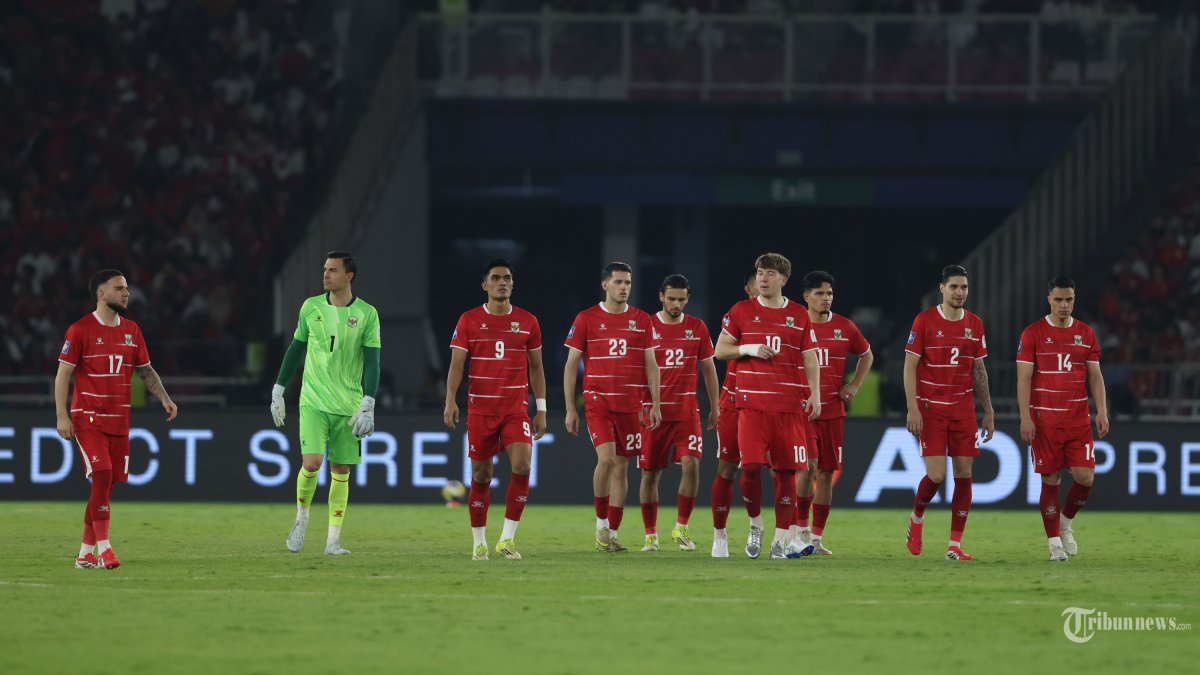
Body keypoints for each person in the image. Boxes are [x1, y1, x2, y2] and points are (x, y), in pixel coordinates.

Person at [55, 269, 179, 570]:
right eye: (119, 288)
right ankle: (105, 548)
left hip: (119, 420)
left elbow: (146, 370)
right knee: (101, 473)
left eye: (127, 288)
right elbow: (63, 376)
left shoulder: (132, 330)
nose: (126, 293)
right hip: (88, 417)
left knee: (105, 485)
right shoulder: (80, 329)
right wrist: (62, 416)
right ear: (101, 294)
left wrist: (164, 397)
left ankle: (85, 553)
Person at [271, 252, 381, 556]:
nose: (325, 275)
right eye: (324, 269)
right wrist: (278, 389)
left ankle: (333, 540)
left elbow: (373, 361)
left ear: (349, 276)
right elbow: (295, 350)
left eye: (332, 270)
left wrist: (369, 401)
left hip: (349, 405)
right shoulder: (310, 307)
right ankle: (301, 520)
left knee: (341, 469)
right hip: (313, 401)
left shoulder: (367, 314)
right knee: (312, 463)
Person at [715, 253, 821, 560]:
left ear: (783, 280)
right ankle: (755, 524)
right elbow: (720, 349)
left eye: (770, 273)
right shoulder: (741, 310)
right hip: (752, 406)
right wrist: (747, 348)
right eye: (760, 272)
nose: (763, 278)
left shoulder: (799, 314)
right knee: (748, 468)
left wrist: (814, 394)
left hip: (788, 408)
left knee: (787, 474)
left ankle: (780, 540)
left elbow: (810, 356)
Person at [444, 258, 547, 560]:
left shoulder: (528, 321)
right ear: (485, 285)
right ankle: (479, 542)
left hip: (515, 409)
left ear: (513, 284)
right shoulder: (469, 320)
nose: (502, 282)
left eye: (507, 278)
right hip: (481, 410)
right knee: (481, 475)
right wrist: (450, 399)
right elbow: (457, 365)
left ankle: (507, 539)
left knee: (523, 465)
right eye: (496, 278)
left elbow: (537, 367)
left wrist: (540, 408)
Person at [564, 261, 662, 552]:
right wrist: (571, 408)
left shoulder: (642, 320)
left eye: (628, 283)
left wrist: (654, 403)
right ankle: (601, 526)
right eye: (618, 282)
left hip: (630, 405)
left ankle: (613, 533)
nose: (623, 287)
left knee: (622, 468)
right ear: (604, 285)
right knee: (606, 460)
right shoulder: (586, 318)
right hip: (598, 402)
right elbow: (571, 365)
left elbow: (651, 365)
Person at [903, 264, 994, 561]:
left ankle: (954, 545)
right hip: (930, 409)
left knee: (965, 473)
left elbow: (979, 370)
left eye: (964, 287)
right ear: (941, 288)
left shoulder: (975, 324)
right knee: (937, 475)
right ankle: (917, 518)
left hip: (963, 409)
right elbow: (910, 366)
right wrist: (912, 407)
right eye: (953, 287)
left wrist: (988, 410)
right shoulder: (925, 321)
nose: (959, 292)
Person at [1016, 276, 1109, 561]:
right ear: (1049, 300)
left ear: (1074, 300)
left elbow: (1094, 376)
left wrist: (1102, 410)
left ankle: (1066, 522)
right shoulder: (1032, 333)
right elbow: (1024, 379)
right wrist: (1025, 417)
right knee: (1050, 481)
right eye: (1058, 299)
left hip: (1078, 421)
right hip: (1045, 422)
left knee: (1085, 478)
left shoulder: (1086, 333)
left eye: (1069, 299)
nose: (1064, 305)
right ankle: (1054, 543)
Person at [792, 271, 873, 555]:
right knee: (808, 467)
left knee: (826, 473)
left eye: (829, 294)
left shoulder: (845, 327)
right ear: (806, 297)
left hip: (833, 411)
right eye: (819, 294)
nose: (825, 298)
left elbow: (866, 354)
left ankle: (816, 538)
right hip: (803, 411)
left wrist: (854, 385)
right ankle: (799, 531)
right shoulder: (795, 325)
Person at [638, 274, 719, 552]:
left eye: (681, 299)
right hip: (653, 414)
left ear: (688, 299)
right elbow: (637, 370)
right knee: (651, 473)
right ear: (661, 296)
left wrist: (715, 406)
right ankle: (650, 534)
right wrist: (639, 404)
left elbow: (709, 369)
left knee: (692, 465)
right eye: (671, 298)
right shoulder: (645, 325)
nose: (675, 304)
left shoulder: (696, 327)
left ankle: (681, 528)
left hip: (687, 412)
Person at [709, 270, 757, 558]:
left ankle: (773, 532)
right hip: (734, 402)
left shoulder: (786, 317)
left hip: (769, 405)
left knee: (776, 471)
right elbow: (720, 351)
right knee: (726, 469)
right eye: (755, 285)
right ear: (749, 288)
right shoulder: (738, 314)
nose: (759, 290)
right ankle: (720, 535)